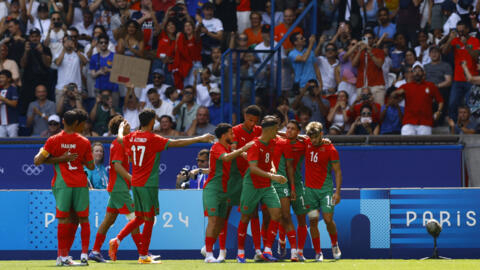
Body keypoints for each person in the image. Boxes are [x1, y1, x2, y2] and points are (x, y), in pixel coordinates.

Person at [108, 108, 215, 264]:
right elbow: (178, 142)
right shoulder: (153, 139)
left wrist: (120, 130)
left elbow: (119, 139)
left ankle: (117, 240)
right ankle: (143, 255)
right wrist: (201, 138)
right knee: (149, 219)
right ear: (151, 121)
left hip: (136, 183)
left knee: (139, 217)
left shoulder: (131, 137)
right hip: (148, 184)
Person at [33, 109, 94, 266]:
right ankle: (81, 254)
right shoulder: (84, 141)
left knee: (65, 218)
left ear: (63, 122)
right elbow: (92, 166)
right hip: (80, 182)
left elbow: (38, 161)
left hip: (62, 183)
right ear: (76, 123)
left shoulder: (53, 140)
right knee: (80, 218)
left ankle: (62, 256)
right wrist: (75, 158)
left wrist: (60, 158)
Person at [88, 115, 142, 263]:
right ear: (121, 128)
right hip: (119, 188)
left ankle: (95, 251)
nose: (129, 126)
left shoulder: (122, 142)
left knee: (108, 220)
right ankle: (143, 254)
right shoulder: (118, 144)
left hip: (116, 187)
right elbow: (117, 166)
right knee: (135, 218)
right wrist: (133, 179)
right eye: (126, 124)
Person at [236, 115, 287, 263]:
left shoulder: (271, 142)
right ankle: (240, 253)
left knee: (276, 213)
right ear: (270, 129)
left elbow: (268, 159)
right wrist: (274, 177)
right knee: (246, 217)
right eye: (276, 129)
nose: (278, 132)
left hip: (266, 184)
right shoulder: (255, 145)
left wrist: (272, 169)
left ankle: (267, 250)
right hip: (252, 184)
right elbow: (253, 169)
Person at [202, 123, 253, 263]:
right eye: (231, 133)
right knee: (213, 221)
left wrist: (246, 154)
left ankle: (208, 248)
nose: (234, 136)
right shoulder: (217, 147)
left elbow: (240, 155)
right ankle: (209, 255)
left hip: (225, 191)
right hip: (212, 189)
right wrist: (243, 149)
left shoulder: (228, 147)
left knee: (220, 224)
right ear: (224, 136)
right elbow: (226, 158)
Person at [303, 121, 342, 261]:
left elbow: (337, 172)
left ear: (321, 134)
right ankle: (318, 252)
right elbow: (290, 136)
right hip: (310, 192)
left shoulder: (330, 149)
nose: (313, 140)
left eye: (315, 137)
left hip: (325, 191)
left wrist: (337, 192)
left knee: (327, 219)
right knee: (313, 221)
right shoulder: (306, 142)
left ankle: (334, 244)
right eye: (310, 137)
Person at [441, 21, 480, 120]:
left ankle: (470, 127)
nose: (460, 33)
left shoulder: (475, 41)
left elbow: (476, 57)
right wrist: (450, 39)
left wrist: (466, 45)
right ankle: (453, 127)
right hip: (457, 79)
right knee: (452, 103)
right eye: (459, 31)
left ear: (467, 29)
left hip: (472, 79)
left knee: (470, 105)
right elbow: (444, 52)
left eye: (462, 31)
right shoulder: (455, 40)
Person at [392, 62, 444, 135]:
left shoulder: (431, 85)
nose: (417, 73)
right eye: (415, 71)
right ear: (412, 73)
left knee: (423, 145)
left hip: (425, 122)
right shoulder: (406, 86)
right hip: (409, 121)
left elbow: (440, 101)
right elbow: (392, 97)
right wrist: (396, 93)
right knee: (407, 144)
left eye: (419, 70)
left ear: (423, 73)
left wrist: (438, 111)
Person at [269, 131, 299, 261]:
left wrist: (292, 187)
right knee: (270, 218)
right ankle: (267, 250)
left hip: (281, 184)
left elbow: (290, 167)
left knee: (286, 216)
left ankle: (293, 251)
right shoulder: (258, 141)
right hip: (265, 184)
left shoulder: (283, 142)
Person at [19, 28, 52, 114]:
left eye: (36, 36)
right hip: (29, 83)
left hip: (43, 81)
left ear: (40, 37)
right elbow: (22, 65)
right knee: (27, 108)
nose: (34, 38)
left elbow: (48, 64)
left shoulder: (45, 48)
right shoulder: (25, 48)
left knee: (44, 108)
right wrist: (26, 52)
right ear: (29, 38)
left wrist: (41, 52)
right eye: (32, 36)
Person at [352, 29, 386, 105]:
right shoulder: (358, 52)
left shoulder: (379, 51)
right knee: (361, 110)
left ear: (373, 40)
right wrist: (360, 51)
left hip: (377, 86)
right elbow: (354, 64)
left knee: (378, 109)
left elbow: (379, 64)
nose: (368, 40)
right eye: (365, 38)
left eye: (370, 38)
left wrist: (370, 52)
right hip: (362, 86)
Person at [54, 35, 88, 104]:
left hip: (76, 89)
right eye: (66, 41)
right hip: (62, 88)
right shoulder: (58, 54)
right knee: (60, 112)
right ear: (63, 43)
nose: (68, 43)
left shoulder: (79, 53)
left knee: (77, 113)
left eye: (70, 41)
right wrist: (64, 48)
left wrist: (75, 49)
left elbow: (85, 62)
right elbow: (58, 63)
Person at [89, 34, 120, 108]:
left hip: (113, 88)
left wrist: (108, 70)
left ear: (108, 43)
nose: (103, 44)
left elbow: (119, 72)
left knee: (114, 111)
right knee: (99, 111)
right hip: (99, 88)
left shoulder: (114, 56)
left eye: (105, 42)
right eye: (101, 42)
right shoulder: (94, 57)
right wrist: (99, 72)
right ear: (98, 44)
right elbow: (92, 75)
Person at [0, 69, 19, 137]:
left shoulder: (13, 89)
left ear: (8, 79)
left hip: (12, 122)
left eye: (2, 77)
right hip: (1, 123)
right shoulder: (0, 90)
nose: (0, 79)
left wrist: (3, 99)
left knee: (13, 143)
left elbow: (14, 104)